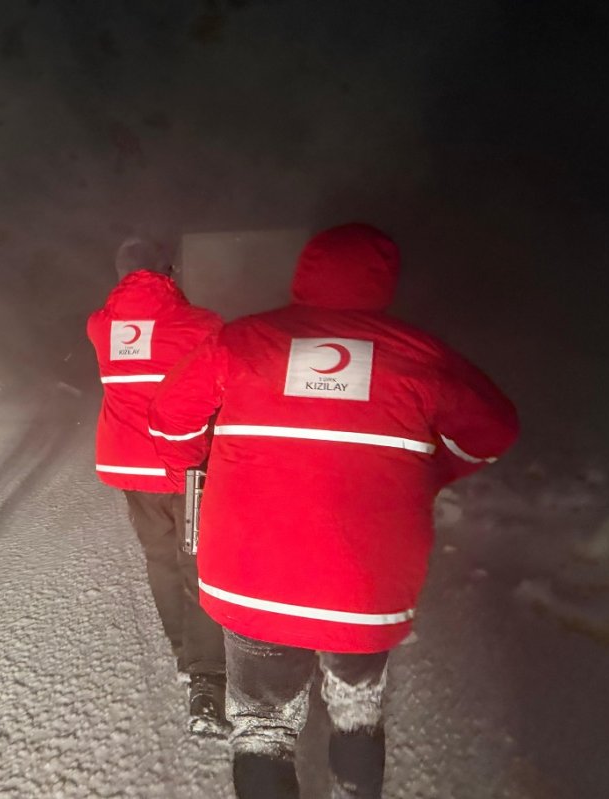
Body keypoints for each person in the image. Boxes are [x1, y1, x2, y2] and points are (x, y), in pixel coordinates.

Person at [148, 224, 519, 797]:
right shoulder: (421, 355)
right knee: (355, 711)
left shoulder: (244, 340)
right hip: (365, 586)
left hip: (252, 576)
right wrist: (425, 473)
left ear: (305, 272)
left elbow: (170, 417)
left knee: (262, 727)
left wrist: (195, 469)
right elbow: (495, 429)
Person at [86, 237, 230, 736]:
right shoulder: (203, 325)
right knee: (200, 565)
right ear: (170, 272)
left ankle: (183, 653)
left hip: (131, 468)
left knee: (161, 560)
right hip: (187, 467)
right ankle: (207, 679)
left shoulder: (101, 326)